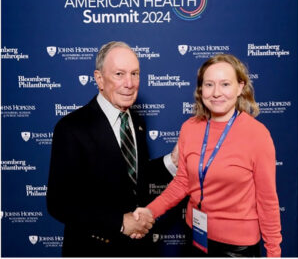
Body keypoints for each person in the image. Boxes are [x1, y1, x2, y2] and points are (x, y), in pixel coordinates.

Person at [133, 54, 282, 257]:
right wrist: (150, 211)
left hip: (237, 248)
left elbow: (267, 201)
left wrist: (274, 252)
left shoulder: (257, 135)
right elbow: (183, 182)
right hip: (196, 236)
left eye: (225, 84)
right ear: (201, 89)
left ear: (240, 87)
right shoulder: (190, 128)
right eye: (209, 84)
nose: (216, 93)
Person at [46, 41, 178, 257]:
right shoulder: (71, 127)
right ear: (99, 79)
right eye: (119, 74)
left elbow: (134, 177)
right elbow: (59, 203)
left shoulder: (135, 120)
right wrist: (119, 222)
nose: (129, 83)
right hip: (93, 249)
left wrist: (173, 161)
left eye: (135, 74)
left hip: (139, 249)